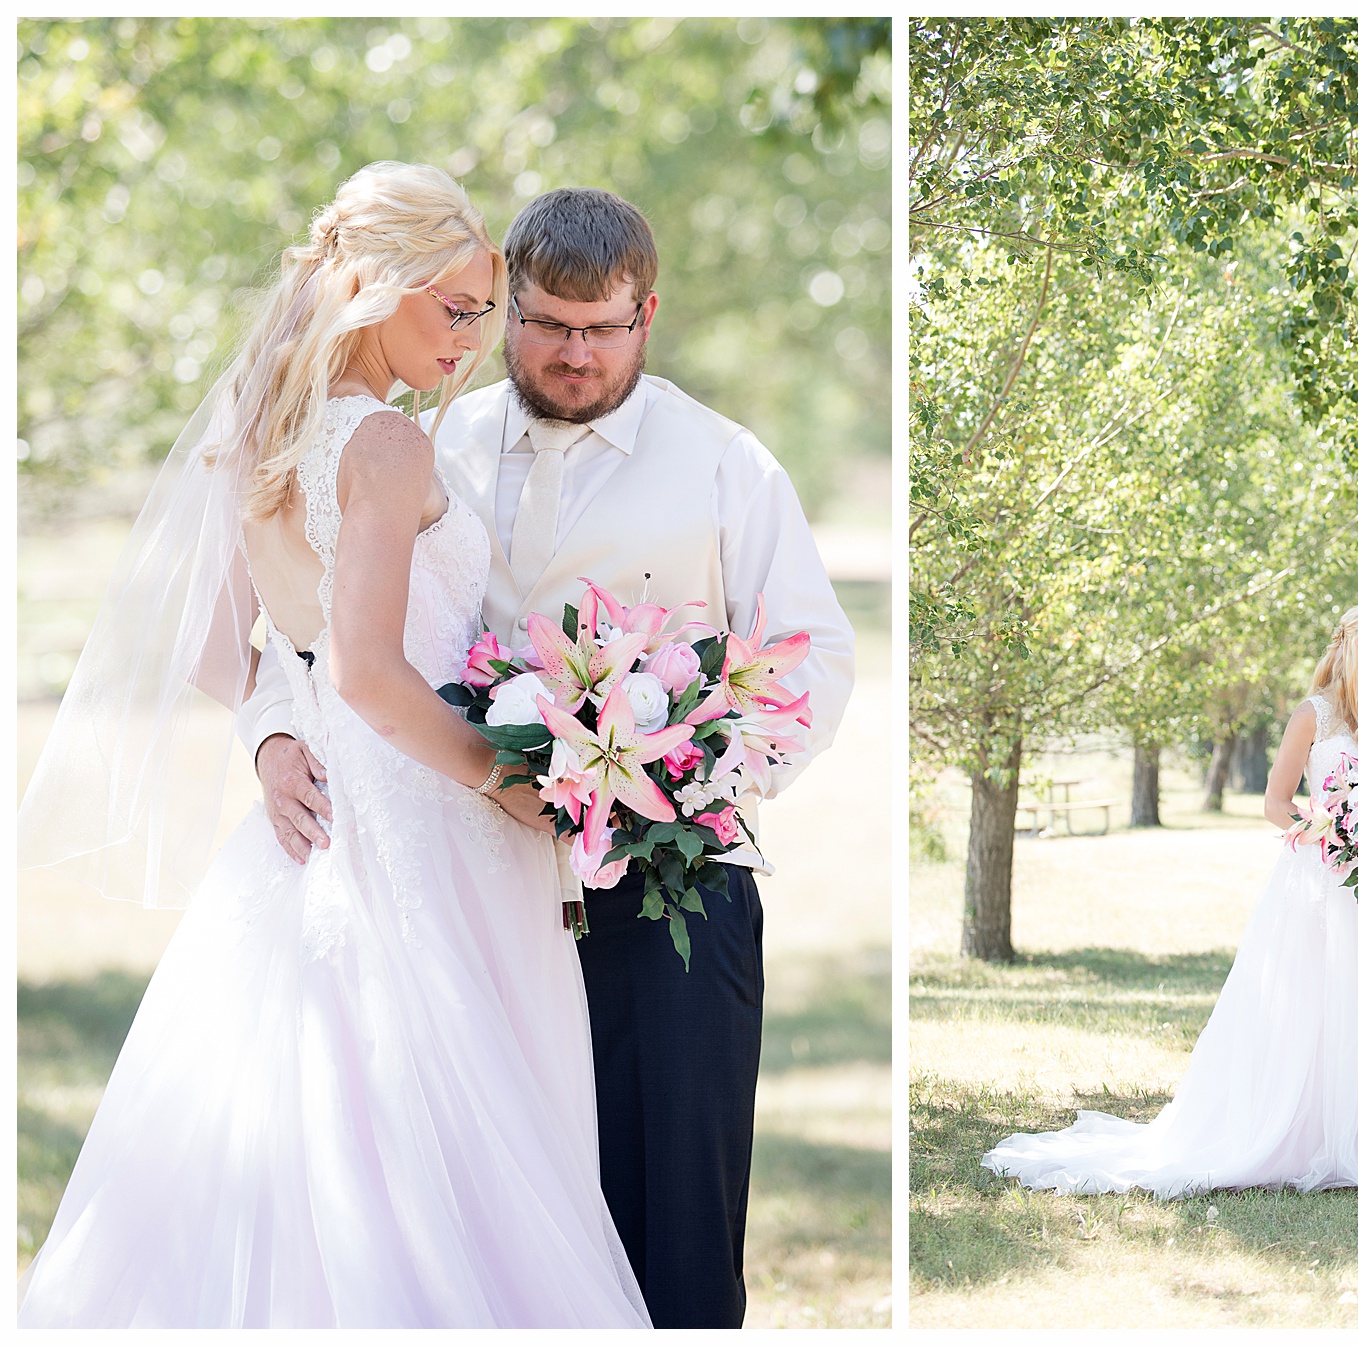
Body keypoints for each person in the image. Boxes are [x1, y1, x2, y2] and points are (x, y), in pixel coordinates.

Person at [17, 162, 650, 1327]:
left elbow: (220, 650)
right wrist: (515, 781)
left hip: (305, 828)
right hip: (427, 827)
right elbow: (363, 668)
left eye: (480, 311)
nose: (471, 336)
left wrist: (271, 734)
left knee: (309, 1123)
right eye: (452, 307)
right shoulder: (388, 447)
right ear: (371, 285)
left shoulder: (259, 421)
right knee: (453, 1135)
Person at [244, 186, 856, 1327]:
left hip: (673, 882)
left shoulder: (725, 459)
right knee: (498, 1231)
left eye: (604, 328)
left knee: (675, 1226)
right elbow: (303, 622)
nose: (574, 354)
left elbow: (813, 653)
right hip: (473, 889)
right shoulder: (432, 432)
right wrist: (274, 733)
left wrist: (685, 785)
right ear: (509, 305)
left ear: (648, 315)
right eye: (544, 324)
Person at [982, 605, 1358, 1197]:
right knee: (1322, 1003)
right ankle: (1310, 1135)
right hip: (1324, 877)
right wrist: (1334, 829)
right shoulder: (1312, 715)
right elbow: (1276, 802)